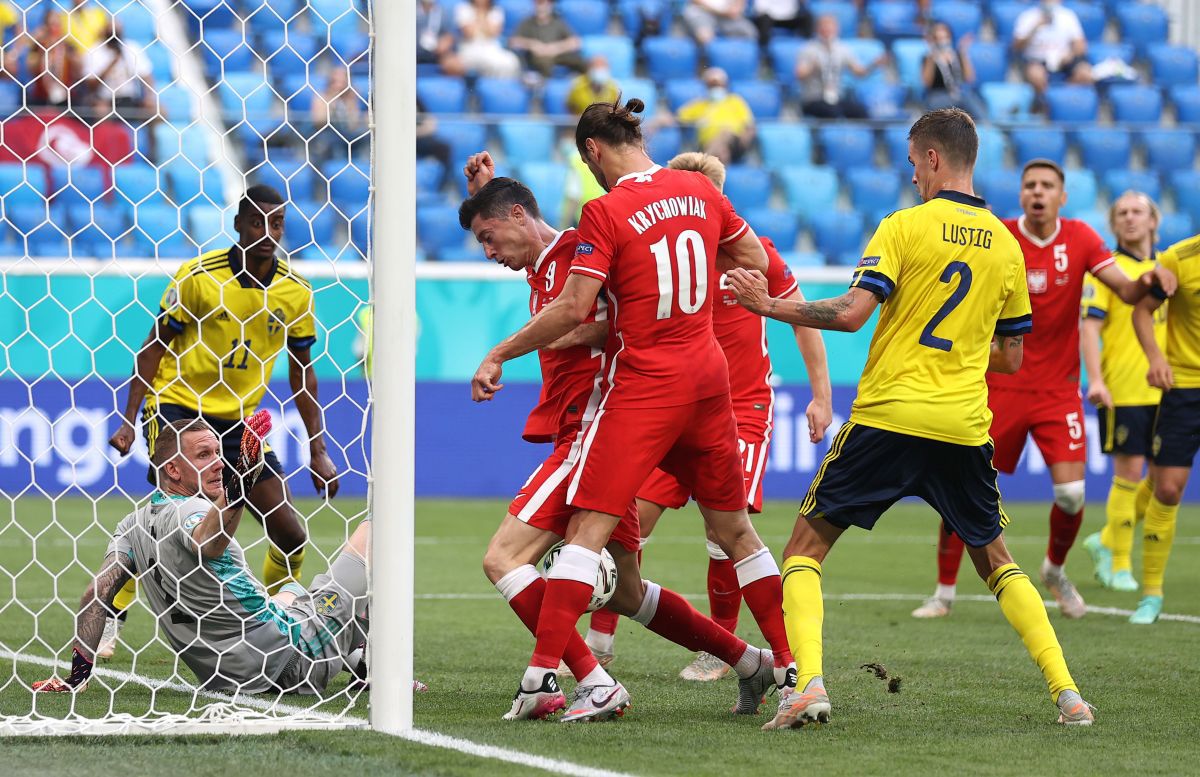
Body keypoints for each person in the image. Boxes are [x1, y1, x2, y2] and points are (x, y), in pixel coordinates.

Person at [726, 108, 1096, 729]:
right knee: (997, 558)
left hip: (890, 415)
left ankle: (809, 686)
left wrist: (767, 305)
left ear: (931, 158)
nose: (913, 178)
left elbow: (849, 314)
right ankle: (1069, 695)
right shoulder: (1007, 245)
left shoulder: (905, 226)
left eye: (912, 164)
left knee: (804, 549)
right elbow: (1011, 355)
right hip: (961, 423)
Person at [471, 98, 800, 722]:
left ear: (593, 150)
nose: (491, 250)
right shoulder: (694, 192)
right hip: (705, 382)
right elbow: (756, 261)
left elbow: (571, 306)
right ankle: (774, 668)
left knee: (535, 549)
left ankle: (562, 681)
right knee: (673, 564)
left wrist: (499, 353)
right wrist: (490, 197)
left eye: (490, 237)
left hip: (631, 401)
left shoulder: (598, 218)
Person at [583, 151, 833, 680]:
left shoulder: (756, 255)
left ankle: (722, 649)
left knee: (725, 533)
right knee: (630, 521)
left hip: (739, 408)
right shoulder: (650, 252)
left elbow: (804, 318)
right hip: (670, 404)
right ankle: (600, 640)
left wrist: (821, 395)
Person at [911, 160, 1173, 622]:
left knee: (1072, 495)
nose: (1038, 192)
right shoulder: (997, 233)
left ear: (1061, 197)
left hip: (1057, 391)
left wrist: (1152, 280)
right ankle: (942, 592)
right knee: (963, 490)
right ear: (1022, 194)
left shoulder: (1082, 238)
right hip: (998, 387)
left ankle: (1054, 569)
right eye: (1030, 185)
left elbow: (1130, 293)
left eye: (1047, 186)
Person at [106, 185, 341, 656]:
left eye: (276, 224)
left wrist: (318, 449)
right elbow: (154, 347)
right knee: (164, 526)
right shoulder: (198, 277)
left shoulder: (295, 291)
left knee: (291, 534)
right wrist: (129, 418)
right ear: (238, 225)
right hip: (177, 408)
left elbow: (303, 375)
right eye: (258, 223)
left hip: (238, 421)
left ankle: (278, 624)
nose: (267, 233)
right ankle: (111, 616)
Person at [33, 415, 369, 697]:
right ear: (174, 471)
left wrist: (75, 677)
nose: (218, 463)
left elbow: (96, 594)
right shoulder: (190, 510)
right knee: (378, 530)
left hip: (227, 677)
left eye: (219, 453)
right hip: (294, 659)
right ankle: (385, 671)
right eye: (204, 455)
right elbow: (208, 541)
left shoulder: (130, 525)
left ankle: (360, 664)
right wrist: (238, 492)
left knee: (292, 592)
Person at [1080, 192, 1166, 595]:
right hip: (1125, 388)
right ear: (1115, 225)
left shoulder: (1169, 269)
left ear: (1154, 221)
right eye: (1123, 214)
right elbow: (1090, 330)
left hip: (1169, 390)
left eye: (1138, 212)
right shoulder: (1106, 273)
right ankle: (1119, 563)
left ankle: (1107, 538)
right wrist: (1095, 380)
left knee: (1165, 479)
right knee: (1130, 474)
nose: (1131, 219)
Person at [1129, 232, 1200, 625]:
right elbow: (1141, 311)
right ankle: (1152, 593)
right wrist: (1156, 357)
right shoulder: (1180, 258)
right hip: (1186, 388)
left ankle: (1111, 539)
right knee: (1168, 487)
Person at [795, 14, 885, 120]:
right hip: (814, 99)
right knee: (832, 113)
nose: (827, 31)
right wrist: (813, 65)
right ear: (818, 29)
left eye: (830, 28)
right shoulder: (809, 48)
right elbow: (799, 74)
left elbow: (859, 72)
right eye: (824, 27)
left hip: (835, 98)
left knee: (860, 111)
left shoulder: (842, 49)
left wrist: (874, 64)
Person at [1013, 0, 1093, 101]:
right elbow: (1017, 46)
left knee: (1085, 73)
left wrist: (1070, 55)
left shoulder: (1068, 16)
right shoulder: (1028, 16)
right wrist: (1035, 28)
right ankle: (1045, 104)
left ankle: (1060, 100)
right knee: (1036, 75)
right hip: (1037, 60)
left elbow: (1081, 45)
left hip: (1064, 60)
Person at [673, 68, 757, 164]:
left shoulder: (735, 101)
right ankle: (713, 167)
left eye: (718, 84)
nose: (715, 88)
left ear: (725, 85)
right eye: (711, 85)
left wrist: (745, 139)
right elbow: (677, 117)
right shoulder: (699, 105)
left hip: (735, 145)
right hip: (706, 145)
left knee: (725, 132)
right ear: (706, 86)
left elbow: (750, 126)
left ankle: (702, 163)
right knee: (722, 152)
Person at [84, 19, 156, 124]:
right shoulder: (94, 52)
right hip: (106, 100)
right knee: (100, 111)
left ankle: (152, 140)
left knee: (158, 111)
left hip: (130, 98)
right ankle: (105, 140)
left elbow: (147, 75)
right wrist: (111, 64)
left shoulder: (132, 48)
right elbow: (90, 85)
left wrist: (149, 97)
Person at [921, 22, 985, 119]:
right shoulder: (928, 58)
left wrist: (963, 53)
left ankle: (987, 128)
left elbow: (970, 78)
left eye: (945, 37)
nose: (942, 41)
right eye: (938, 38)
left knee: (971, 100)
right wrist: (932, 56)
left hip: (958, 94)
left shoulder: (957, 55)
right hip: (937, 95)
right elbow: (927, 83)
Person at [509, 0, 585, 79]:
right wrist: (532, 45)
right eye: (539, 3)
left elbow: (575, 42)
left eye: (546, 3)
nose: (542, 7)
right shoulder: (527, 22)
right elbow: (513, 41)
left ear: (551, 5)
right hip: (537, 57)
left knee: (580, 61)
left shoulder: (558, 22)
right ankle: (547, 87)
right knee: (544, 63)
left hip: (558, 54)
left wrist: (556, 48)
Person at [311, 67, 367, 161]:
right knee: (331, 142)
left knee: (363, 137)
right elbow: (319, 122)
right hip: (328, 135)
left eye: (342, 80)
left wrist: (351, 102)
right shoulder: (321, 97)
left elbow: (353, 125)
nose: (339, 84)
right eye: (336, 80)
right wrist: (332, 101)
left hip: (348, 135)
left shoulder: (351, 98)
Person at [454, 0, 521, 79]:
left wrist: (482, 14)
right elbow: (470, 33)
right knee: (492, 63)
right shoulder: (464, 8)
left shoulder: (496, 10)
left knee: (512, 61)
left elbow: (493, 33)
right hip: (470, 48)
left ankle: (505, 88)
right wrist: (479, 13)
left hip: (491, 47)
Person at [417, 0, 464, 75]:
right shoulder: (410, 9)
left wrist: (445, 42)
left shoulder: (443, 11)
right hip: (413, 51)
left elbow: (451, 34)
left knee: (455, 64)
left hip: (437, 53)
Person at [682, 0, 757, 45]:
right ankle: (704, 66)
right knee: (704, 36)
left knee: (750, 32)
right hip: (702, 11)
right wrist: (719, 11)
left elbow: (738, 7)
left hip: (727, 16)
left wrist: (734, 9)